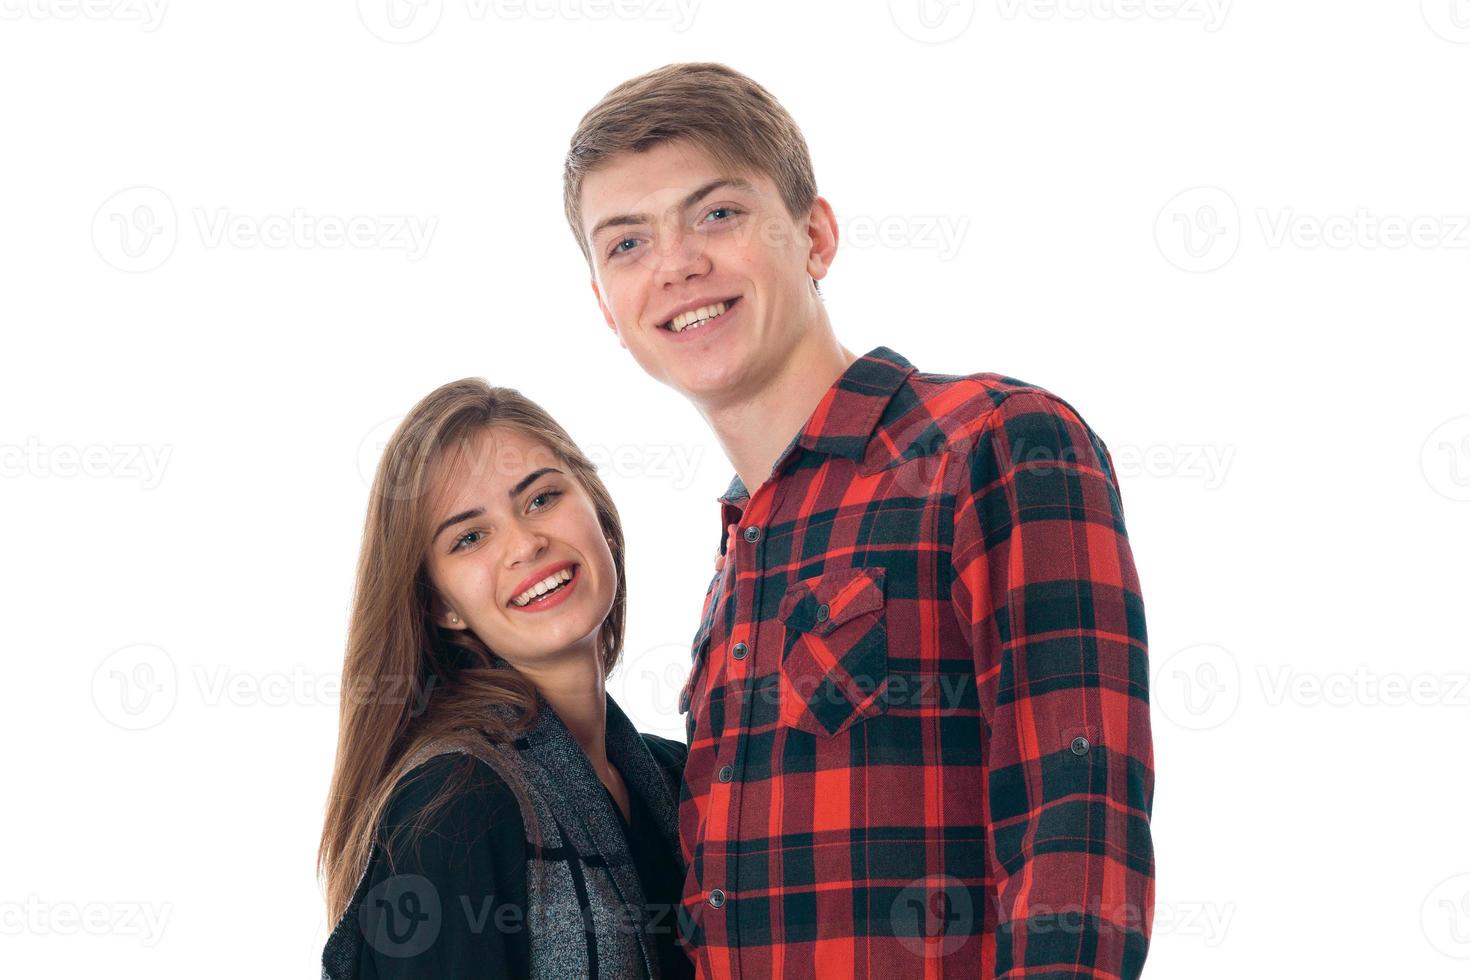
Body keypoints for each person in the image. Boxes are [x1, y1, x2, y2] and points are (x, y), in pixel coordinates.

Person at [562, 63, 1156, 978]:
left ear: (815, 236)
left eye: (715, 214)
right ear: (607, 305)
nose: (677, 263)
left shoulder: (993, 444)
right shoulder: (739, 553)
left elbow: (1079, 829)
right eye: (627, 243)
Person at [318, 379, 695, 979]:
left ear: (597, 510)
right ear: (442, 606)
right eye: (469, 537)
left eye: (542, 499)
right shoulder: (454, 804)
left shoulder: (682, 781)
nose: (526, 543)